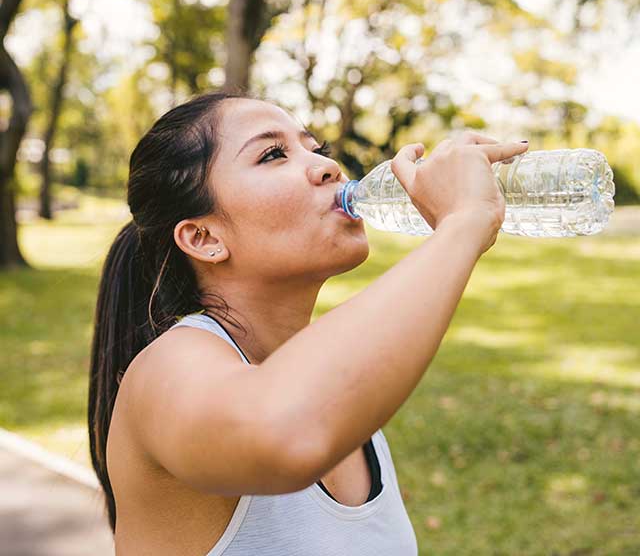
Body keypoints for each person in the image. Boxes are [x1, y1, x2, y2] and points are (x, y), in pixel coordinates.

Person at [88, 91, 528, 554]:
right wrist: (463, 223)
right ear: (204, 236)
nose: (328, 167)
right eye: (273, 154)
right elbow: (283, 434)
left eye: (316, 149)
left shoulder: (335, 395)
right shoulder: (166, 370)